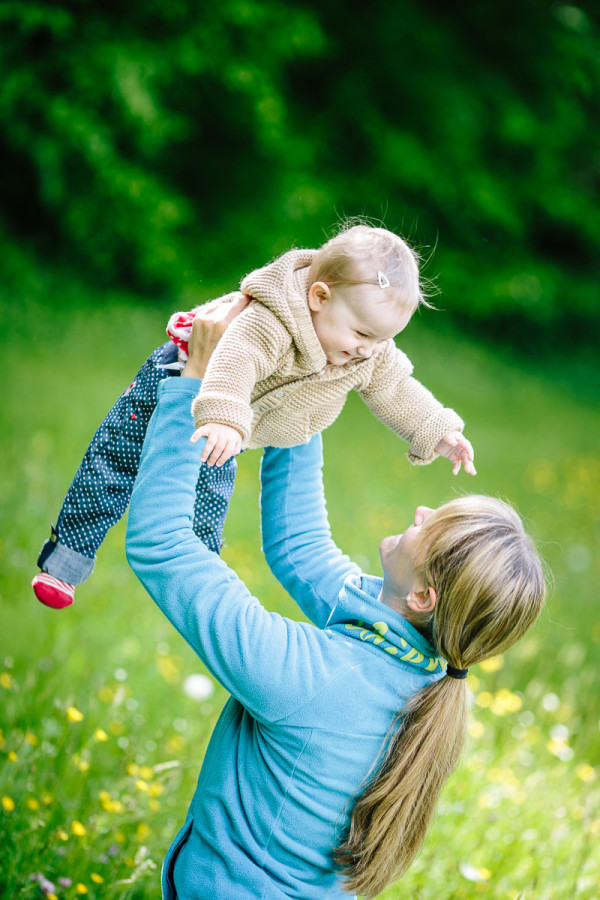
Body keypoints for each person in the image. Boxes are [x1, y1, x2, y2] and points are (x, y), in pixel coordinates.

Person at [124, 308, 545, 900]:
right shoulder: (411, 659)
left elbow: (161, 546)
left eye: (436, 524)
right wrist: (306, 370)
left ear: (424, 596)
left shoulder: (314, 680)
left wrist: (193, 385)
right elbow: (299, 546)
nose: (422, 512)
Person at [33, 223, 475, 611]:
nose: (369, 350)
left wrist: (438, 430)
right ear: (319, 297)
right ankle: (66, 559)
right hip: (187, 383)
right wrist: (225, 413)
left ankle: (196, 591)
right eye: (362, 334)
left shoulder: (366, 352)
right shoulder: (272, 319)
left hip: (233, 425)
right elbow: (235, 358)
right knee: (115, 463)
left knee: (207, 505)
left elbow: (397, 388)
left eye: (383, 339)